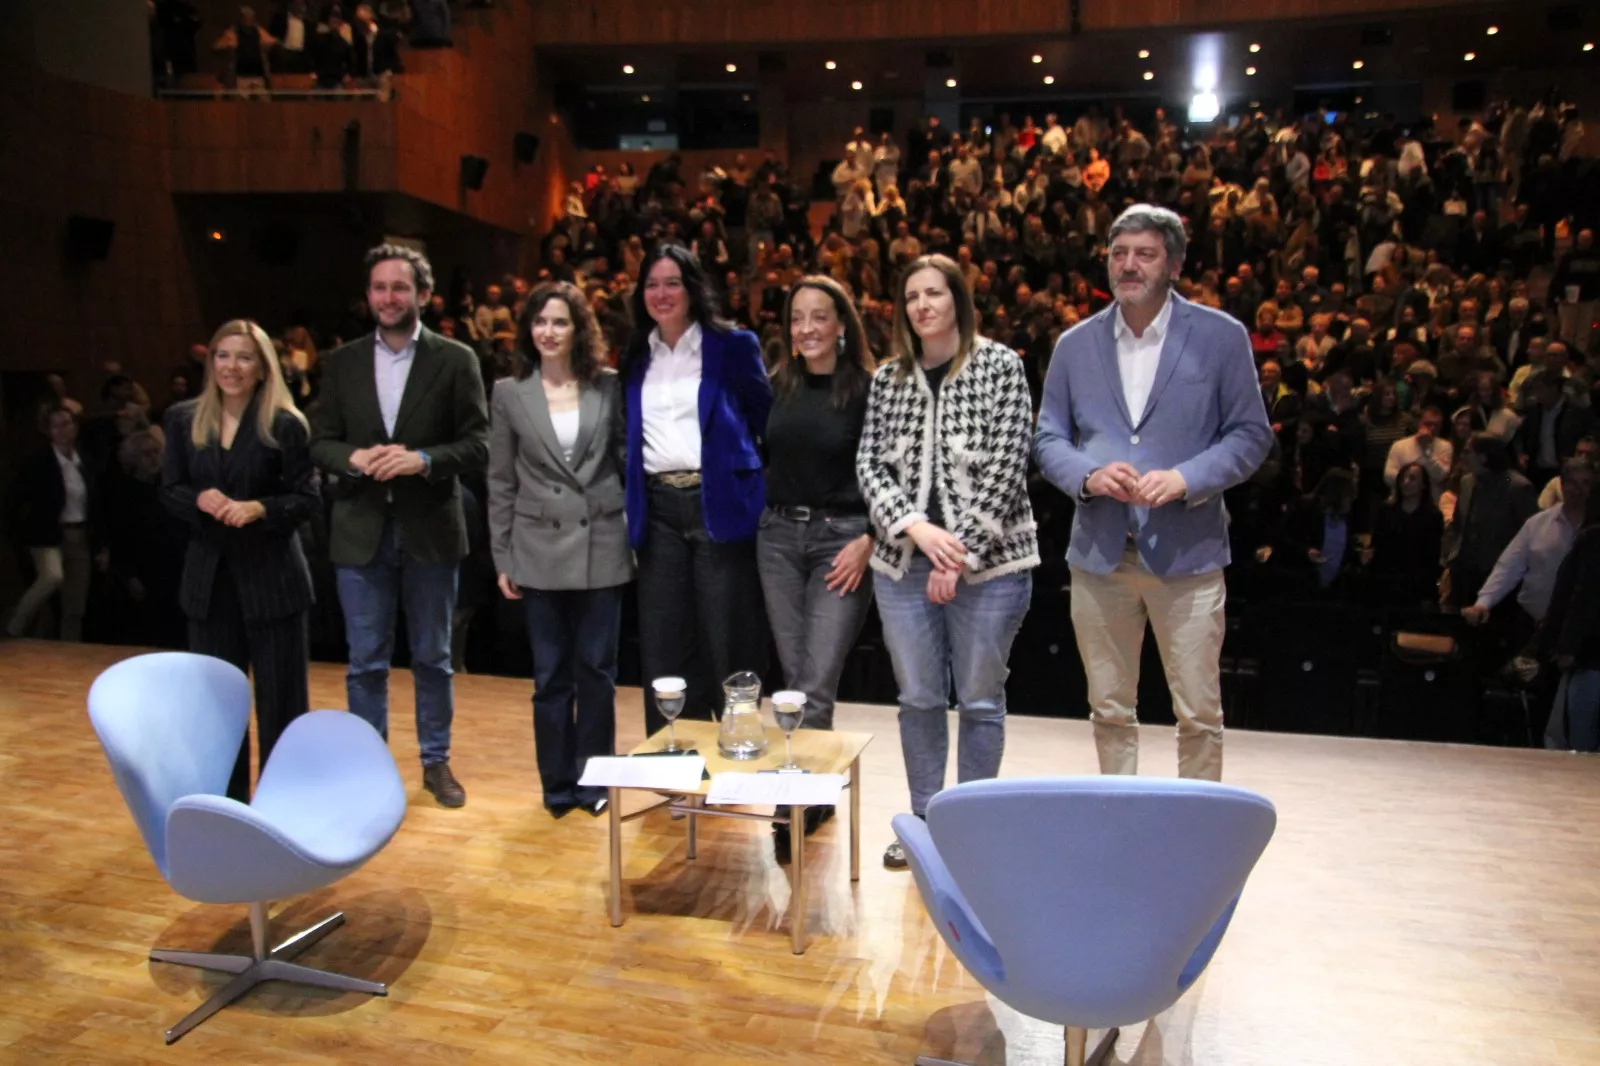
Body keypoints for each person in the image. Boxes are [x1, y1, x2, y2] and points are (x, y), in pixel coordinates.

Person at [1034, 203, 1274, 782]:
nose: (1129, 265)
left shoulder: (1221, 336)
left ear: (1173, 264)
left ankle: (1196, 840)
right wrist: (1088, 477)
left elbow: (1251, 434)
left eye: (1144, 254)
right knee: (1110, 710)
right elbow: (1047, 438)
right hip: (1100, 555)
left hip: (1188, 557)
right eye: (1119, 254)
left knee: (1198, 714)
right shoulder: (1074, 343)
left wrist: (1186, 478)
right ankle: (1121, 828)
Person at [857, 254, 1039, 869]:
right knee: (919, 700)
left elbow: (1008, 469)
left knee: (982, 701)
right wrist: (916, 527)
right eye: (912, 297)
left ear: (957, 300)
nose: (922, 306)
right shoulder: (889, 379)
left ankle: (974, 832)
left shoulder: (1001, 367)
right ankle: (927, 827)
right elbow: (869, 468)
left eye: (934, 294)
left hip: (990, 569)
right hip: (903, 567)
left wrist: (955, 554)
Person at [309, 243, 489, 808]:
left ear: (424, 296)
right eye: (380, 288)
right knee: (365, 663)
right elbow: (318, 440)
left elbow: (480, 442)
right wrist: (354, 459)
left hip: (431, 527)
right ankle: (368, 768)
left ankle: (435, 762)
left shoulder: (456, 359)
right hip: (360, 528)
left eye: (401, 287)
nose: (389, 297)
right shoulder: (340, 363)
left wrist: (425, 460)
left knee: (434, 658)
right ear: (368, 296)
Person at [487, 282, 632, 818]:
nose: (548, 332)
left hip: (602, 543)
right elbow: (500, 479)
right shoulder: (509, 393)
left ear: (579, 329)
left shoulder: (609, 386)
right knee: (550, 677)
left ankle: (595, 781)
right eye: (540, 322)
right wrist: (501, 555)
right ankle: (556, 785)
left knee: (597, 672)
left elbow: (624, 462)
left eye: (560, 322)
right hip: (537, 548)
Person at [161, 320, 318, 802]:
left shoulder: (285, 424)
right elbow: (169, 490)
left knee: (281, 707)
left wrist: (261, 508)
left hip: (274, 584)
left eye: (244, 357)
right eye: (223, 356)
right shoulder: (183, 418)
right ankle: (227, 810)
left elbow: (308, 498)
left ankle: (282, 806)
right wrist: (200, 501)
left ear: (262, 367)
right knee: (217, 711)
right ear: (210, 363)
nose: (232, 367)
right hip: (210, 587)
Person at [621, 244, 772, 735]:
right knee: (665, 643)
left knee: (725, 637)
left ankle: (735, 748)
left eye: (672, 283)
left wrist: (752, 485)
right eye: (651, 284)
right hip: (659, 509)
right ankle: (675, 756)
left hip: (719, 506)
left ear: (692, 289)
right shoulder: (634, 355)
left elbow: (765, 419)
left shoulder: (732, 345)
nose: (661, 294)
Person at [759, 276, 876, 860]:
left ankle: (796, 799)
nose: (807, 328)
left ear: (841, 324)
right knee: (796, 677)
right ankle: (814, 789)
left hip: (842, 540)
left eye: (819, 317)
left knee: (815, 681)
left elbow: (891, 474)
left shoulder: (867, 389)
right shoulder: (777, 384)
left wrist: (872, 540)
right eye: (798, 317)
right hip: (777, 539)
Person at [5, 407, 101, 640]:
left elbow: (97, 503)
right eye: (56, 426)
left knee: (75, 602)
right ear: (48, 431)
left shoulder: (84, 461)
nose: (63, 430)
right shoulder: (38, 462)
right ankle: (14, 625)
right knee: (52, 576)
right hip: (47, 535)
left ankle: (70, 647)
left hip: (79, 534)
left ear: (75, 426)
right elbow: (15, 498)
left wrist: (101, 543)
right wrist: (18, 532)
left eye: (67, 423)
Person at [1538, 485, 1600, 751]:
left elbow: (1584, 597)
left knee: (1572, 736)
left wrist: (1567, 647)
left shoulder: (1594, 539)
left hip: (1590, 654)